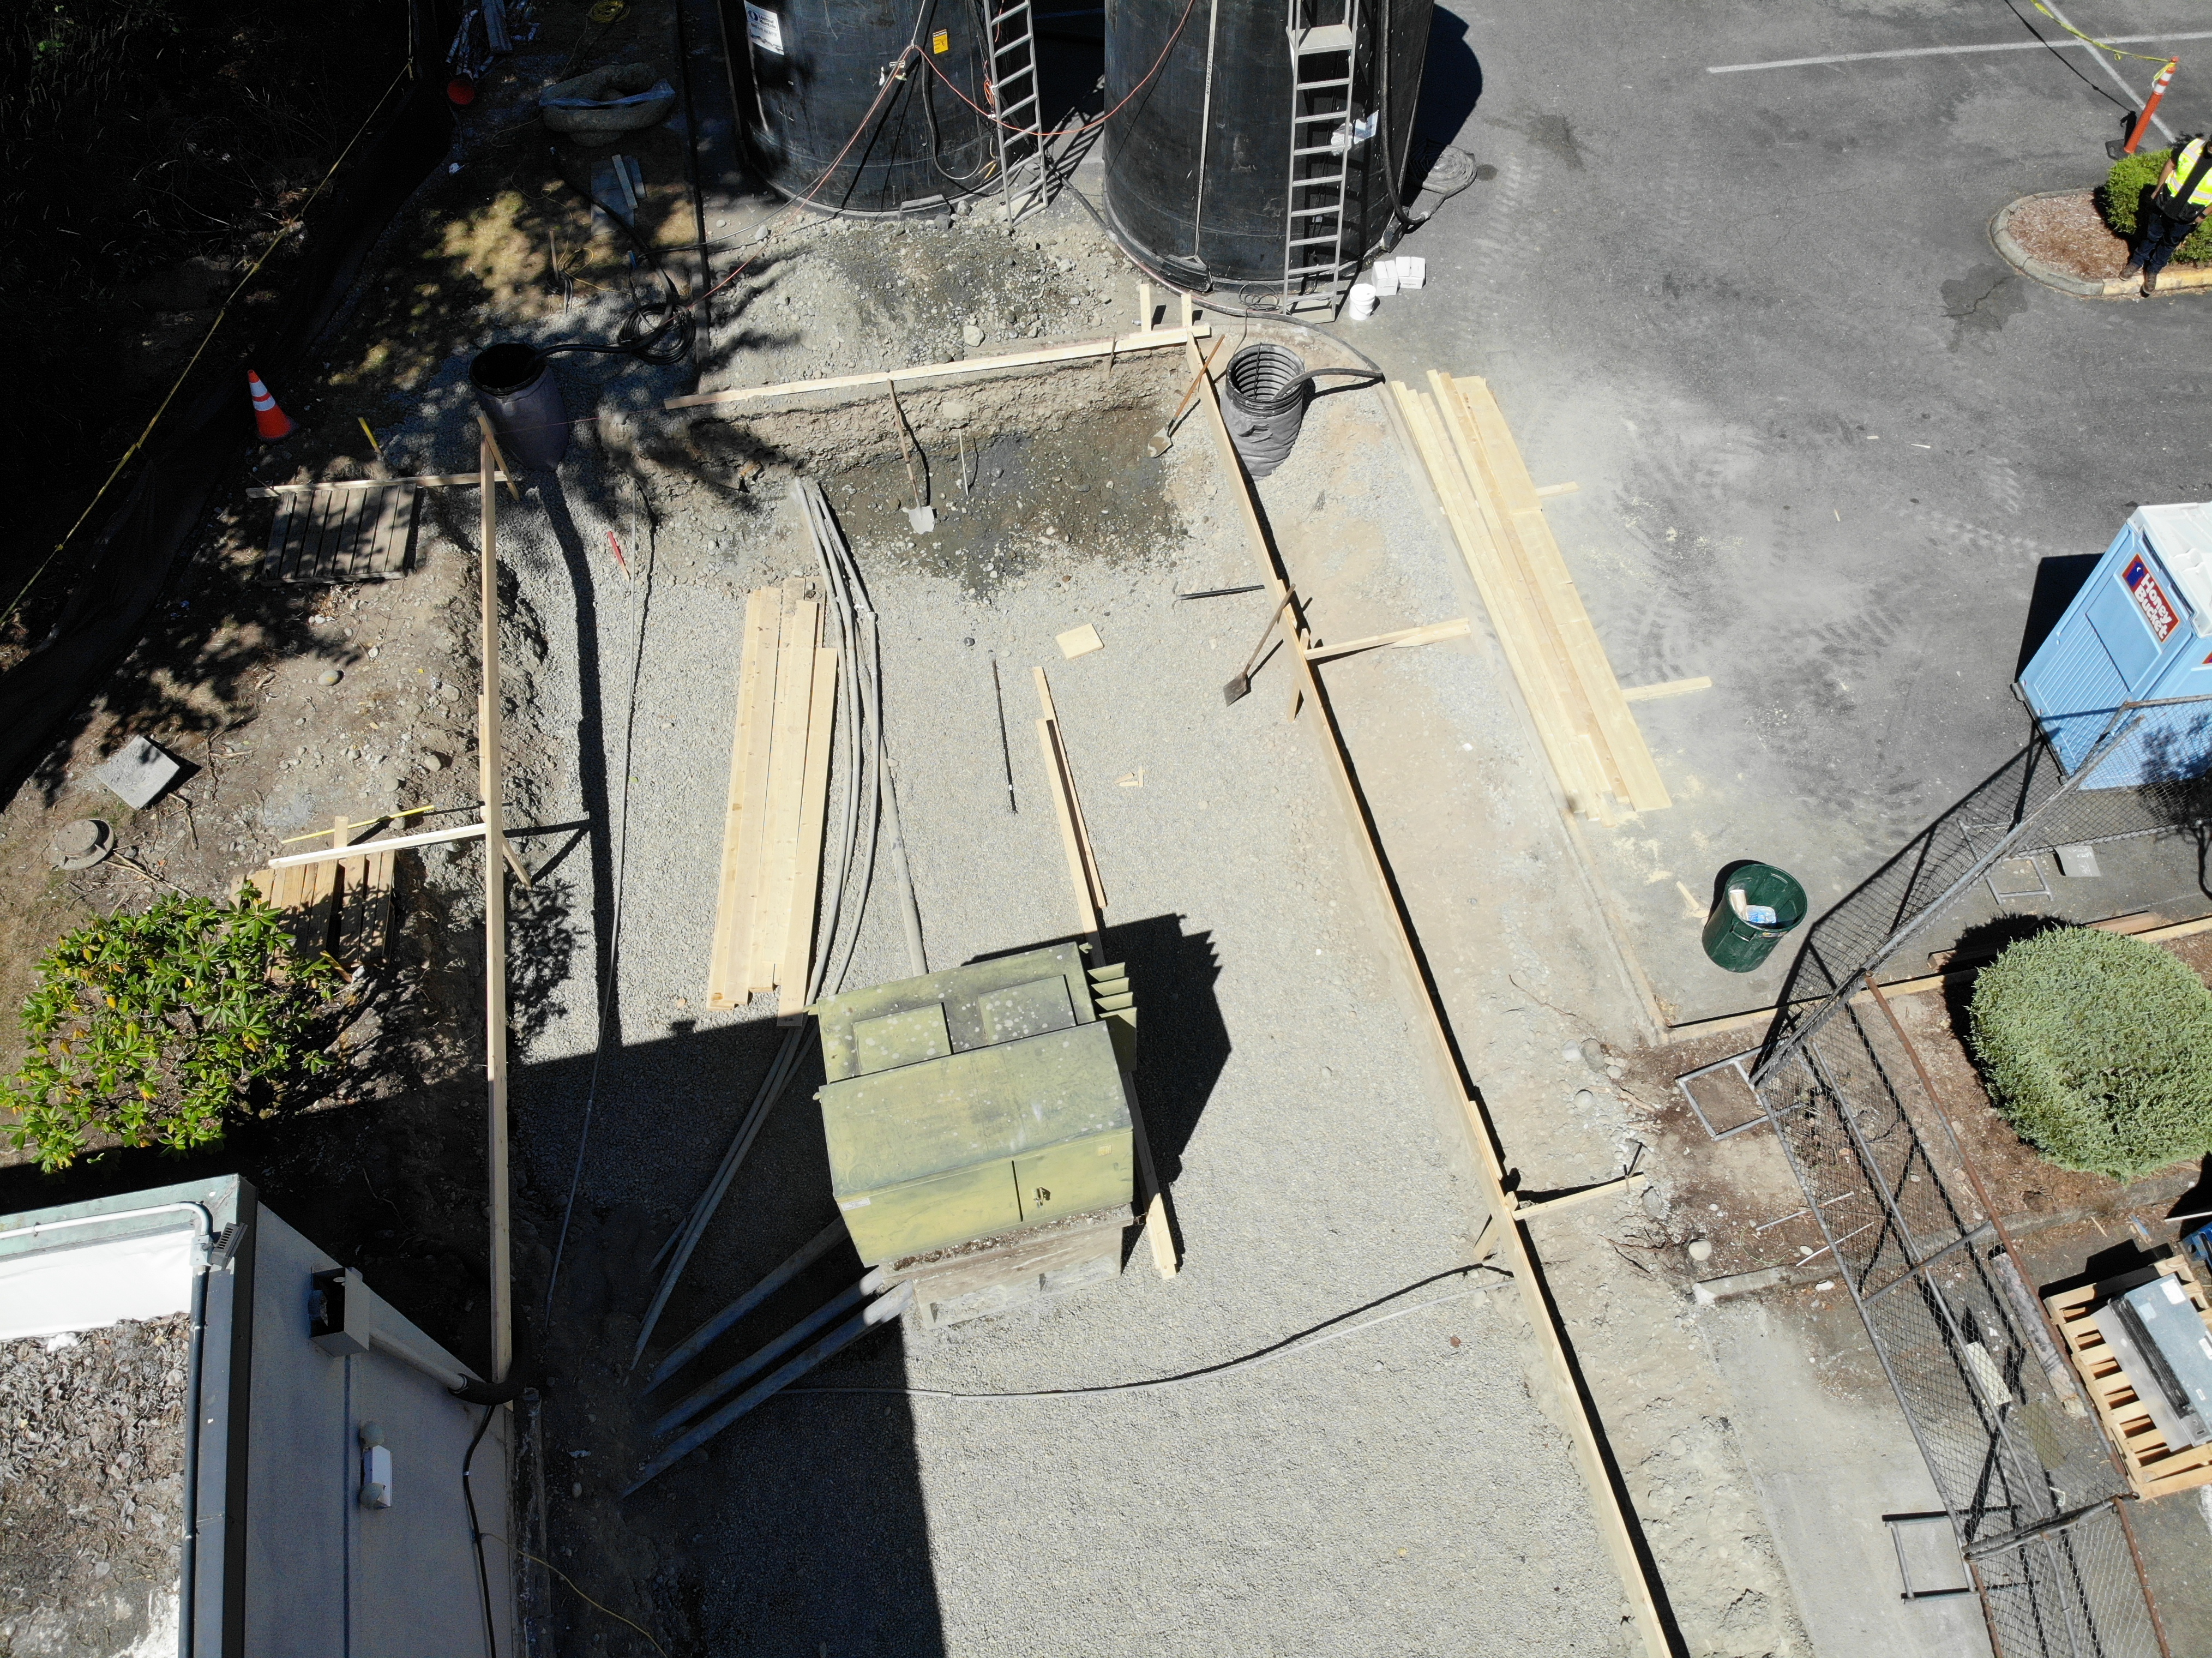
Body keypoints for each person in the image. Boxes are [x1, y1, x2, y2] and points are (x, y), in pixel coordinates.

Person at [2123, 134, 2212, 295]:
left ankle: (2153, 271)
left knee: (2169, 244)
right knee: (2151, 235)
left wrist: (2204, 214)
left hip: (2188, 214)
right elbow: (2170, 165)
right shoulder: (2193, 147)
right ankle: (2136, 262)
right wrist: (2158, 190)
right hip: (2165, 203)